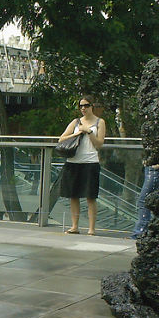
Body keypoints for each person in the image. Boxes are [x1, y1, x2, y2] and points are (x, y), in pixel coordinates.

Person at [58, 95, 106, 235]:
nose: (83, 108)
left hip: (90, 162)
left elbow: (99, 144)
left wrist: (89, 132)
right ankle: (74, 226)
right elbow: (62, 138)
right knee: (73, 195)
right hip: (73, 162)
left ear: (92, 106)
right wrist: (79, 132)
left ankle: (91, 229)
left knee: (91, 196)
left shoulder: (100, 122)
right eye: (81, 106)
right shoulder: (76, 122)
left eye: (86, 105)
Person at [131, 161, 159, 240]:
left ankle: (140, 232)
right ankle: (146, 232)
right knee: (155, 200)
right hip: (155, 167)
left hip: (156, 167)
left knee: (145, 201)